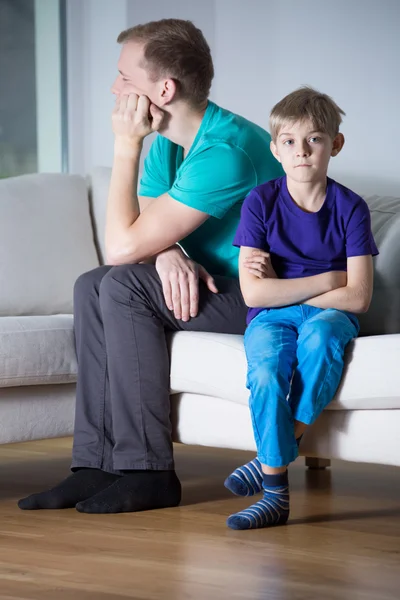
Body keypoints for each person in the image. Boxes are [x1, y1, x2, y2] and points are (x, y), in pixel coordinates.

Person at [18, 19, 283, 513]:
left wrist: (124, 145)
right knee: (92, 285)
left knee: (122, 286)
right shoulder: (170, 140)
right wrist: (167, 253)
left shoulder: (223, 152)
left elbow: (121, 247)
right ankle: (95, 464)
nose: (115, 88)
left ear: (164, 89)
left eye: (124, 76)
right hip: (228, 284)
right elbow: (139, 234)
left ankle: (149, 472)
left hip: (276, 297)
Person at [224, 86, 378, 530]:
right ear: (275, 149)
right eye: (289, 141)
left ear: (336, 144)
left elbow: (359, 298)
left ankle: (271, 475)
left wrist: (285, 286)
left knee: (323, 336)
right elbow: (254, 296)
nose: (302, 151)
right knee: (268, 369)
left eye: (314, 139)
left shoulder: (351, 208)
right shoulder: (260, 203)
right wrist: (331, 279)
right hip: (271, 316)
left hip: (332, 316)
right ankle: (277, 498)